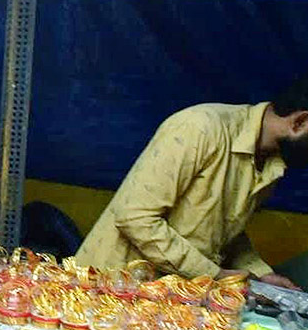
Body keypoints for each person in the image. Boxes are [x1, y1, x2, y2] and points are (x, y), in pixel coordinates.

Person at [76, 81, 308, 287]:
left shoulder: (272, 164)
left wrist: (261, 275)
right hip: (109, 289)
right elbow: (136, 219)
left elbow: (224, 231)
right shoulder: (200, 128)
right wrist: (215, 275)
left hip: (172, 298)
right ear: (299, 122)